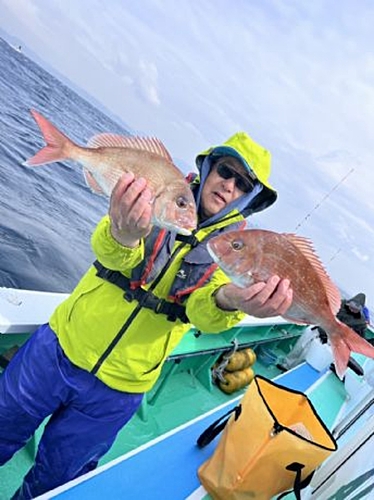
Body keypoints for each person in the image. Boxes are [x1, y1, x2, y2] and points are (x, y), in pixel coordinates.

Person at [0, 131, 293, 499]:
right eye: (225, 170)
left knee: (53, 482)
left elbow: (201, 314)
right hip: (61, 345)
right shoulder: (158, 190)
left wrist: (233, 300)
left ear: (249, 196)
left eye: (242, 183)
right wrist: (123, 235)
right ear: (208, 167)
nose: (229, 185)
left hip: (120, 388)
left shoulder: (239, 251)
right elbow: (108, 254)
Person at [278, 292, 370, 371]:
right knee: (300, 345)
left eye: (355, 309)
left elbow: (360, 338)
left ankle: (293, 369)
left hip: (330, 339)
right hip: (318, 328)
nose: (352, 309)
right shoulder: (339, 304)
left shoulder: (360, 322)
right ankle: (286, 364)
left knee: (307, 352)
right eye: (352, 306)